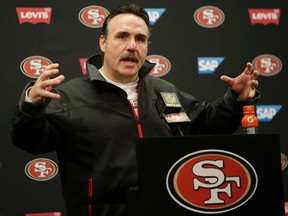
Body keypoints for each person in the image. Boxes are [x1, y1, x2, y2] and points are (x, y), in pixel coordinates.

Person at [11, 3, 260, 216]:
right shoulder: (69, 96)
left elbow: (204, 124)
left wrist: (235, 100)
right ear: (103, 42)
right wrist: (31, 105)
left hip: (165, 208)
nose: (132, 46)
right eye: (122, 36)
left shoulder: (164, 90)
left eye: (140, 39)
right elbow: (30, 140)